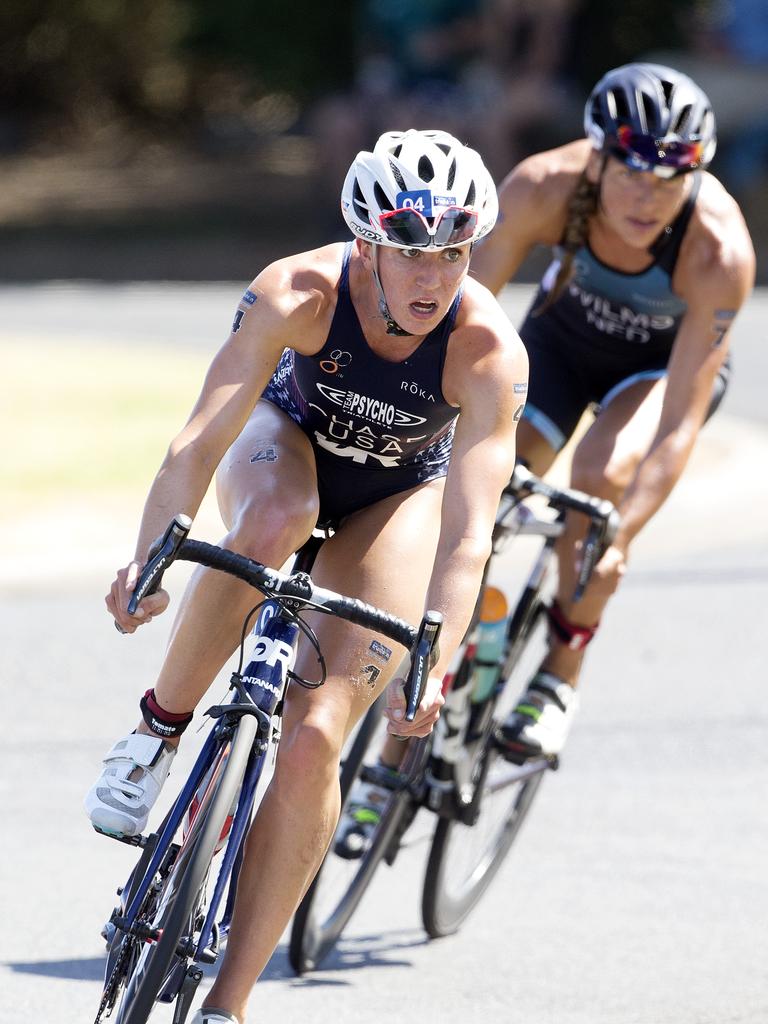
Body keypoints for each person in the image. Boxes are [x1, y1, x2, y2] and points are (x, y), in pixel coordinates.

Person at [85, 128, 527, 1024]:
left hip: (396, 496)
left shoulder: (485, 348)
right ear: (367, 242)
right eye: (411, 251)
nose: (433, 276)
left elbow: (470, 530)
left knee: (319, 733)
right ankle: (156, 732)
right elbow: (201, 437)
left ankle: (230, 1004)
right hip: (283, 450)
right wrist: (147, 555)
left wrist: (434, 660)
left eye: (453, 252)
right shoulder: (299, 290)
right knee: (273, 522)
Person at [467, 62, 755, 762]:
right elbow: (465, 317)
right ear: (596, 156)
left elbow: (680, 422)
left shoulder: (717, 249)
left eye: (668, 179)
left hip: (654, 372)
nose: (646, 195)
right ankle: (459, 656)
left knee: (600, 481)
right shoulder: (542, 186)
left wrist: (620, 535)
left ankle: (558, 678)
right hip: (560, 345)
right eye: (629, 172)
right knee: (480, 476)